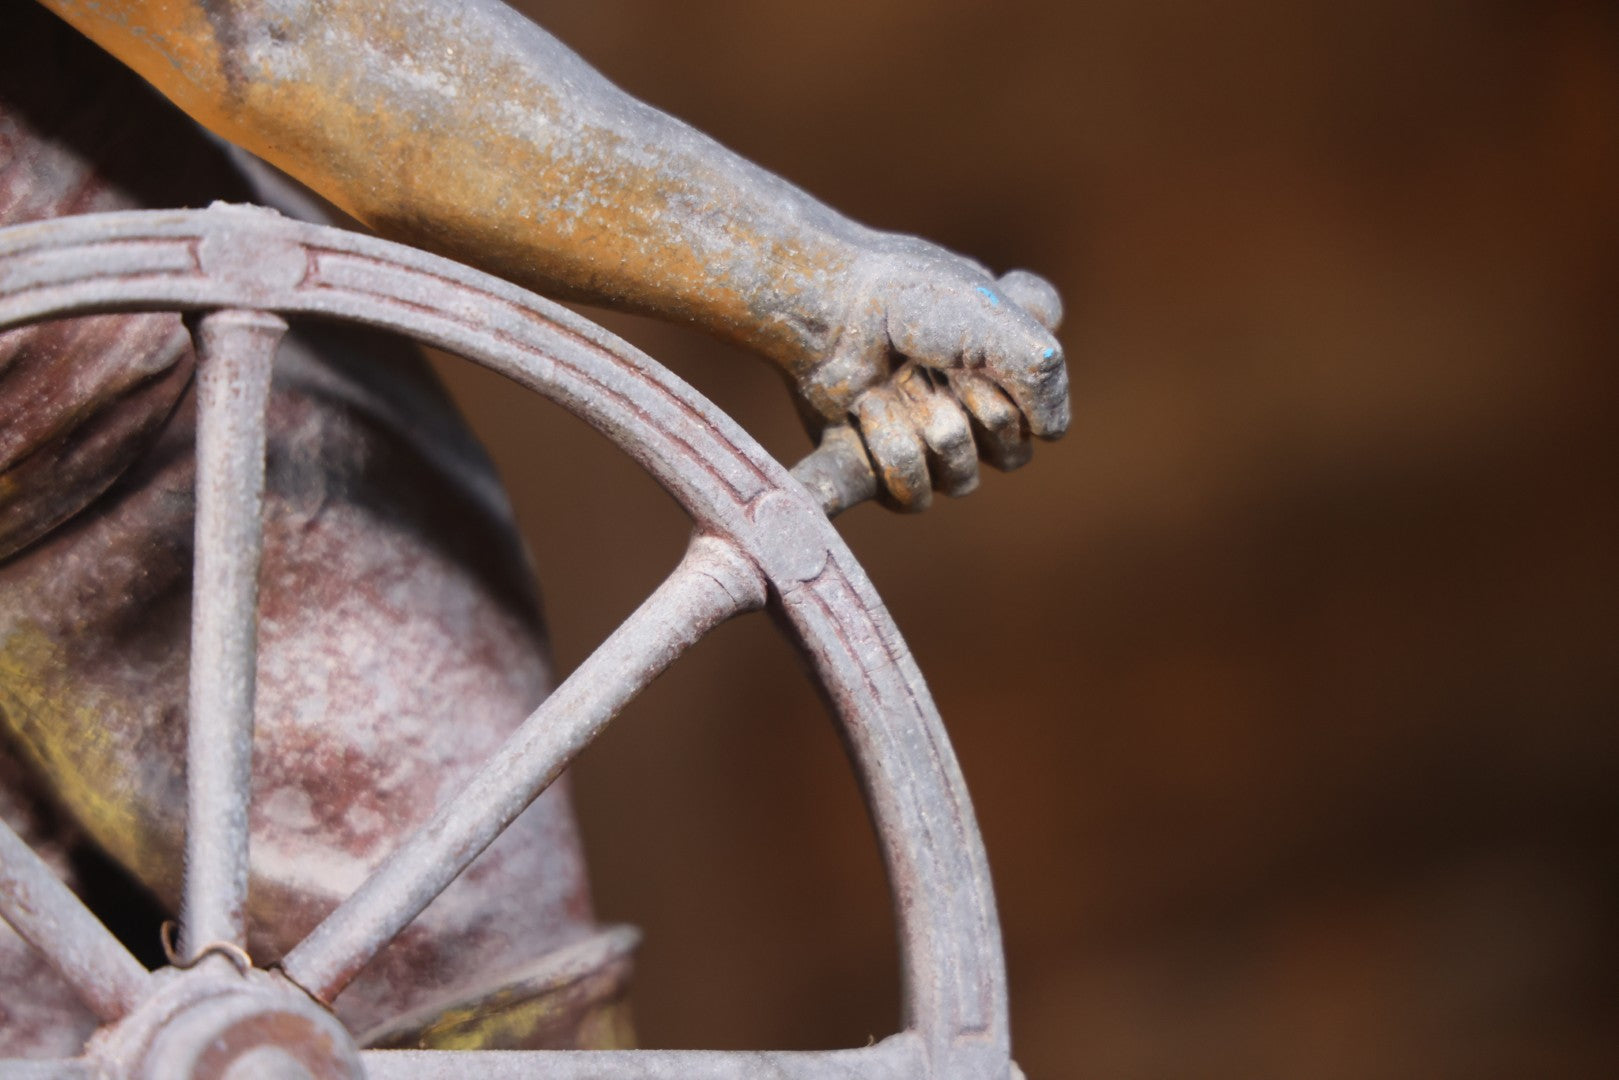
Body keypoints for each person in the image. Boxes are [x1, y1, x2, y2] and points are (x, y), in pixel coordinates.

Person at [0, 0, 1069, 1055]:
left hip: (148, 419)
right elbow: (294, 31)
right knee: (468, 978)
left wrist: (815, 291)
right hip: (159, 418)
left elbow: (288, 31)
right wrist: (821, 289)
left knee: (460, 973)